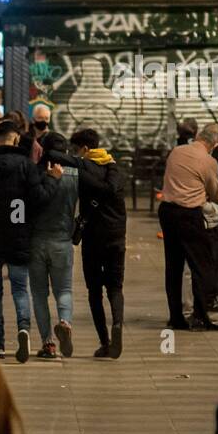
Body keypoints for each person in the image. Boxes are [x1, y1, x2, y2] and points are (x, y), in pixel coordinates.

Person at [0, 117, 63, 362]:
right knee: (20, 289)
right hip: (18, 236)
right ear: (16, 138)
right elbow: (39, 198)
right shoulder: (25, 165)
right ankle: (23, 329)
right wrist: (52, 179)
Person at [159, 122, 218, 331]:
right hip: (189, 215)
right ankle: (200, 316)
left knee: (174, 267)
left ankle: (175, 316)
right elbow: (215, 192)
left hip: (168, 212)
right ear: (214, 144)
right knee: (201, 266)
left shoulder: (176, 152)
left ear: (197, 136)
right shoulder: (209, 161)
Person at [71, 129, 127, 359]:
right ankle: (118, 324)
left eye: (76, 150)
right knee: (115, 287)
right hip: (116, 236)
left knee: (94, 292)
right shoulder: (114, 169)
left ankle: (105, 342)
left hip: (93, 239)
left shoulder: (82, 169)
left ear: (85, 148)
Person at [29, 133, 79, 359]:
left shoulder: (35, 173)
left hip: (36, 241)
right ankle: (65, 322)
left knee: (39, 294)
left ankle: (48, 343)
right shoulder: (74, 176)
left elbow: (22, 207)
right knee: (64, 290)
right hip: (62, 240)